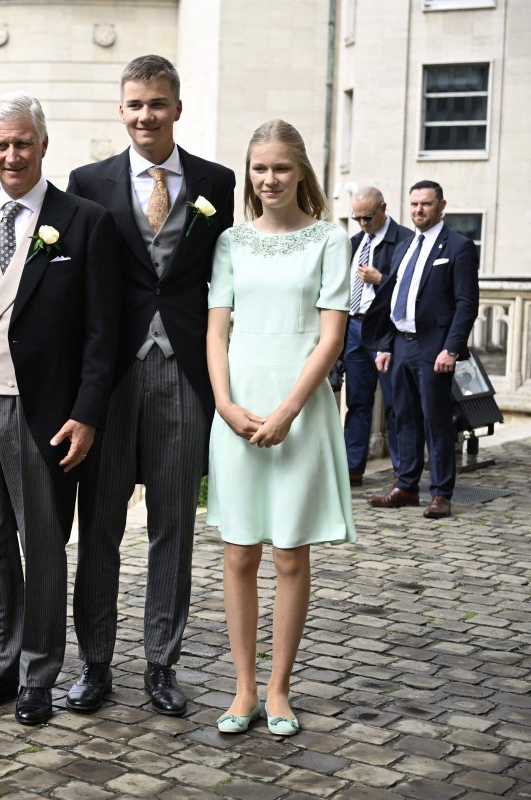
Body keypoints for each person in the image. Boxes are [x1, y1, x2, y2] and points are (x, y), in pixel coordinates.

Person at [0, 92, 119, 726]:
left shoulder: (84, 220)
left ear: (44, 145)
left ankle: (39, 673)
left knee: (42, 546)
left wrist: (88, 412)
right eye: (0, 145)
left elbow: (102, 330)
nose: (11, 155)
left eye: (22, 143)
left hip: (44, 413)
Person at [65, 54, 236, 716]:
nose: (145, 115)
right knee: (99, 525)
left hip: (186, 372)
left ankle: (162, 665)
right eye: (135, 104)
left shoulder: (216, 182)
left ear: (177, 108)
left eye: (157, 103)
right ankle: (95, 665)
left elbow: (228, 279)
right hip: (109, 379)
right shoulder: (88, 181)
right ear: (121, 109)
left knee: (174, 526)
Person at [206, 120, 356, 737]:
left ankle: (278, 689)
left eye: (281, 168)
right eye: (259, 168)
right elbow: (215, 331)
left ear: (302, 172)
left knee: (290, 554)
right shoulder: (230, 241)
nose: (270, 179)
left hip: (300, 406)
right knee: (239, 552)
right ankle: (242, 689)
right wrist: (224, 403)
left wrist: (291, 408)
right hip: (237, 406)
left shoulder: (330, 239)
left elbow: (332, 337)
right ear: (249, 173)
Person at [367, 181, 479, 520]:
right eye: (414, 204)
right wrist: (385, 346)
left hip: (434, 347)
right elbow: (389, 298)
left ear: (441, 205)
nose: (419, 210)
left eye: (426, 204)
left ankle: (442, 493)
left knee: (437, 421)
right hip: (401, 344)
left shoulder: (458, 247)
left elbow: (466, 304)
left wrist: (452, 349)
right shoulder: (404, 246)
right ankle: (407, 486)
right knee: (404, 418)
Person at [342, 188, 413, 486]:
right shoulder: (355, 242)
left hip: (386, 330)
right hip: (354, 328)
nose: (362, 223)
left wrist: (380, 280)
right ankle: (351, 470)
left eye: (368, 217)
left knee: (397, 403)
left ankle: (403, 473)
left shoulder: (406, 241)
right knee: (358, 401)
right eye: (356, 218)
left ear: (383, 208)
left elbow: (413, 290)